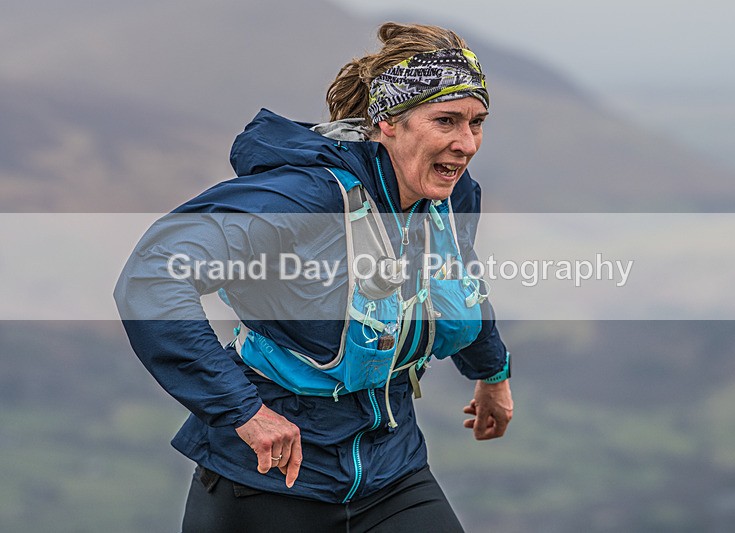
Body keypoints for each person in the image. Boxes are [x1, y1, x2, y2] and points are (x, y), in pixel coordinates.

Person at [114, 21, 513, 532]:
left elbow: (456, 275)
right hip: (268, 480)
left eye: (477, 122)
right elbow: (153, 276)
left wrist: (492, 371)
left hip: (393, 472)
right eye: (446, 121)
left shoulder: (450, 196)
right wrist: (244, 412)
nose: (467, 143)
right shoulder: (305, 199)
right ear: (389, 122)